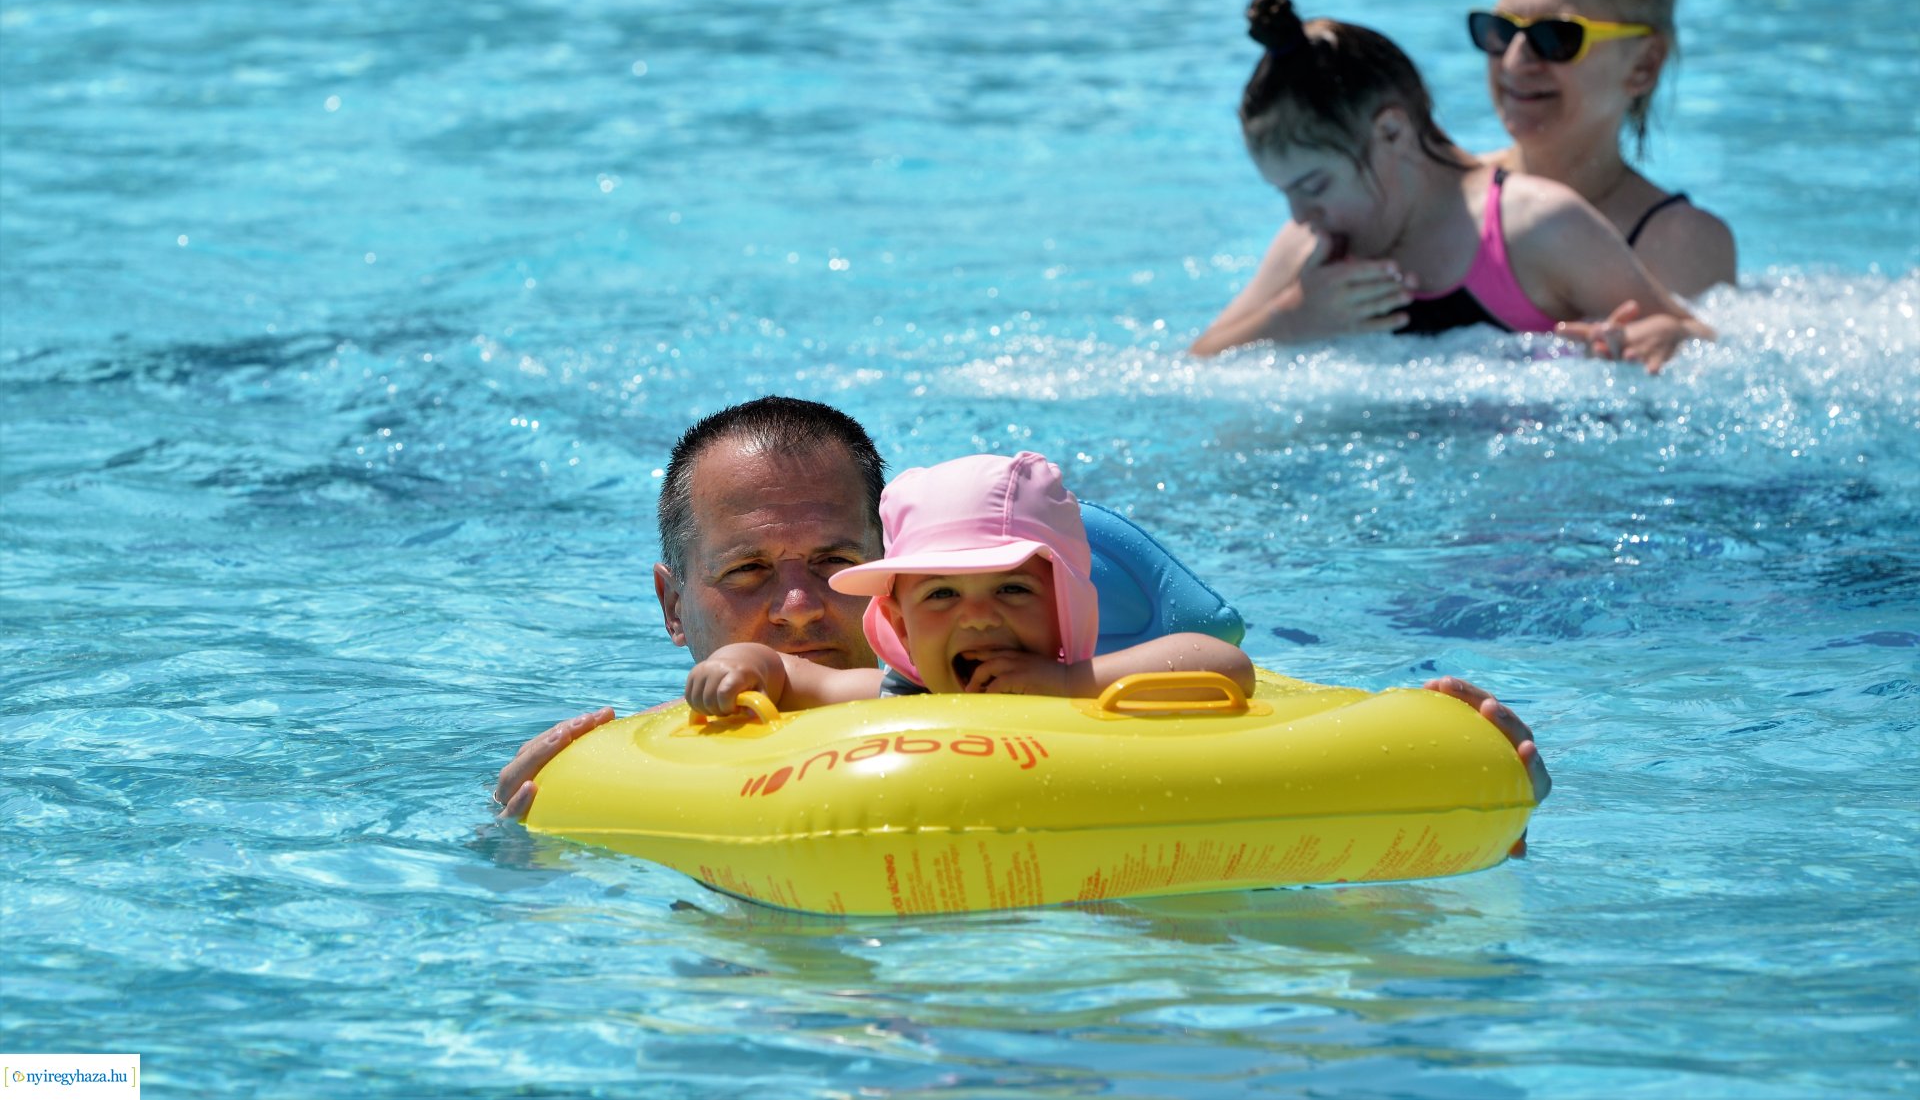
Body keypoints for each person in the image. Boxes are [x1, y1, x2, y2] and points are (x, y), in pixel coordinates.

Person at [493, 397, 1551, 848]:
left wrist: (1478, 805)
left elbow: (1224, 676)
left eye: (836, 565)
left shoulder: (1080, 677)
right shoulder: (654, 763)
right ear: (674, 609)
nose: (803, 607)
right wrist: (521, 847)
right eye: (750, 575)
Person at [1188, 0, 1714, 371]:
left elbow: (1701, 341)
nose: (1300, 215)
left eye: (1314, 186)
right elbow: (1196, 366)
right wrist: (1292, 319)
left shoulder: (1536, 227)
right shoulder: (1315, 254)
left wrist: (1660, 339)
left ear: (1392, 131)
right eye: (1285, 194)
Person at [682, 451, 1256, 716]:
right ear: (899, 623)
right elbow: (791, 675)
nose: (977, 617)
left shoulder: (1094, 687)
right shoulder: (897, 698)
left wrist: (1066, 682)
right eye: (942, 595)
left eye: (1012, 589)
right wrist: (742, 661)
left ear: (1066, 609)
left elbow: (1225, 663)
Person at [1477, 0, 1736, 299]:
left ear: (1643, 65)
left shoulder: (1677, 245)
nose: (1515, 60)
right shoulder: (1439, 198)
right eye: (1501, 29)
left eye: (1556, 37)